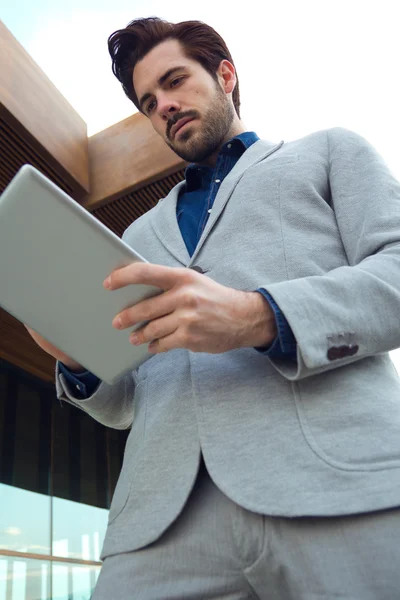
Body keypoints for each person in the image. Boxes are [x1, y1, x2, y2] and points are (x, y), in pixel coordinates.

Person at [26, 16, 400, 599]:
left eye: (175, 82)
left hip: (337, 485)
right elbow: (126, 402)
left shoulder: (330, 151)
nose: (165, 106)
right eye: (150, 102)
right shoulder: (136, 236)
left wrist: (260, 314)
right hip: (158, 527)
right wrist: (81, 361)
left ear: (226, 75)